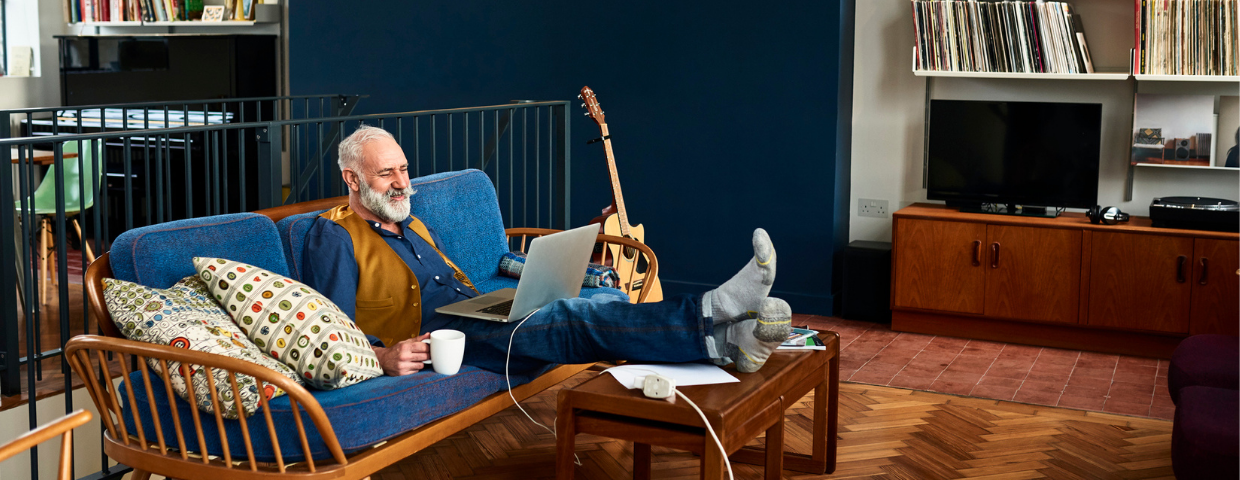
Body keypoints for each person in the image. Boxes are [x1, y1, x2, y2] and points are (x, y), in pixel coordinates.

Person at [302, 125, 791, 378]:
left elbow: (458, 281)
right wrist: (383, 356)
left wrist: (511, 290)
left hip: (477, 314)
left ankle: (731, 344)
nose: (402, 182)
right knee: (572, 316)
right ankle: (716, 310)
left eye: (404, 169)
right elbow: (331, 324)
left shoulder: (411, 220)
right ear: (352, 179)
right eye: (387, 173)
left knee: (601, 301)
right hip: (438, 340)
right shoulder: (334, 236)